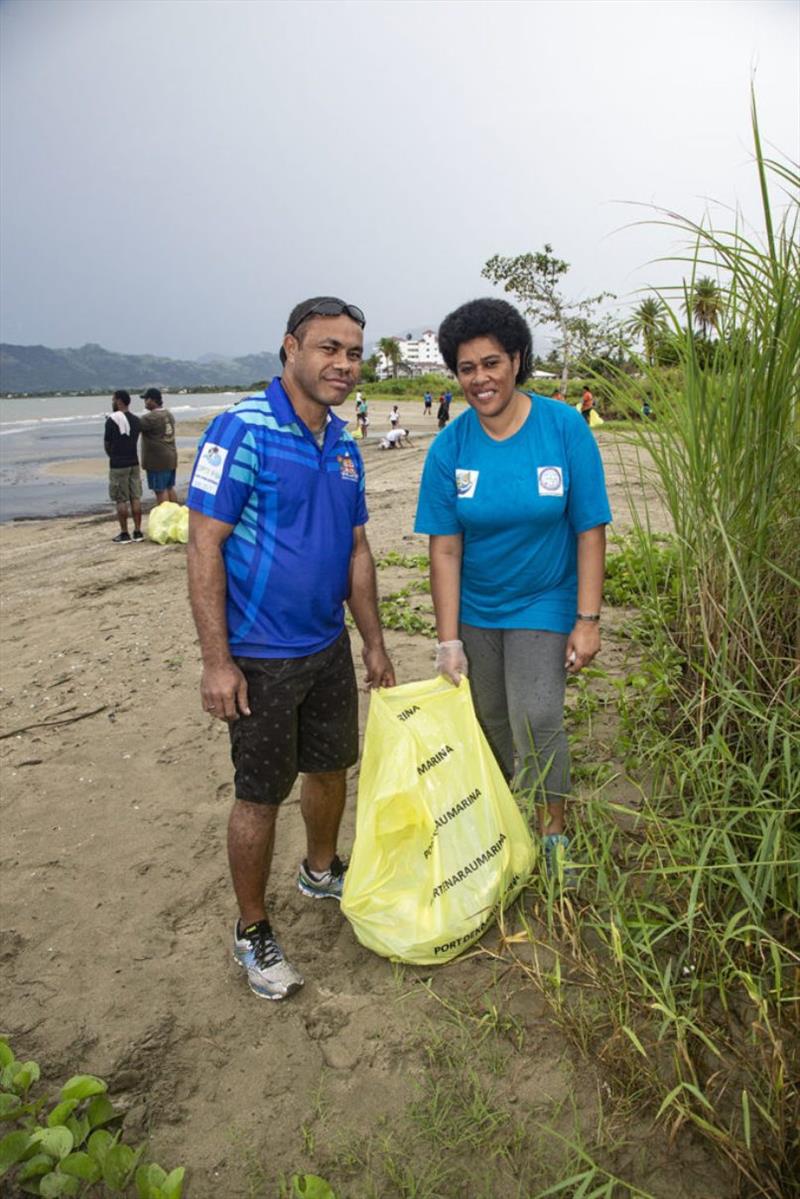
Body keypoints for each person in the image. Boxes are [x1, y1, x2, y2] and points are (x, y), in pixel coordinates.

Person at [186, 296, 395, 1002]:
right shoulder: (241, 427)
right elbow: (204, 540)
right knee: (259, 793)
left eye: (355, 352)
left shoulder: (343, 443)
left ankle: (319, 867)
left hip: (327, 645)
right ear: (290, 349)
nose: (343, 363)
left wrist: (373, 642)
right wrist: (218, 660)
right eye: (329, 348)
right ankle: (252, 929)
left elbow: (357, 549)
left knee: (332, 767)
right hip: (261, 655)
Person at [414, 298, 611, 881]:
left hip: (545, 598)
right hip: (476, 607)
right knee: (491, 720)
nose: (480, 378)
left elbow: (589, 528)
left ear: (517, 359)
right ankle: (506, 817)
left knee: (537, 715)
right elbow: (444, 548)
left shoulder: (563, 426)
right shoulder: (450, 448)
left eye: (492, 363)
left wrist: (588, 618)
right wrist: (448, 639)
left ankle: (554, 833)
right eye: (467, 367)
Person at [104, 390, 143, 543]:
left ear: (119, 401)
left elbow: (107, 442)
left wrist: (112, 455)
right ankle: (138, 531)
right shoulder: (136, 420)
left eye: (113, 399)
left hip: (118, 463)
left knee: (121, 499)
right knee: (135, 496)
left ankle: (124, 532)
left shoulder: (112, 420)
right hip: (133, 461)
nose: (112, 402)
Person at [139, 387, 178, 504]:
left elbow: (134, 427)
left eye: (146, 399)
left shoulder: (149, 418)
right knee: (169, 487)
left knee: (160, 491)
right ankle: (175, 514)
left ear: (152, 400)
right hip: (171, 456)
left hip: (157, 461)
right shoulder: (169, 414)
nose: (145, 402)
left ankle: (165, 517)